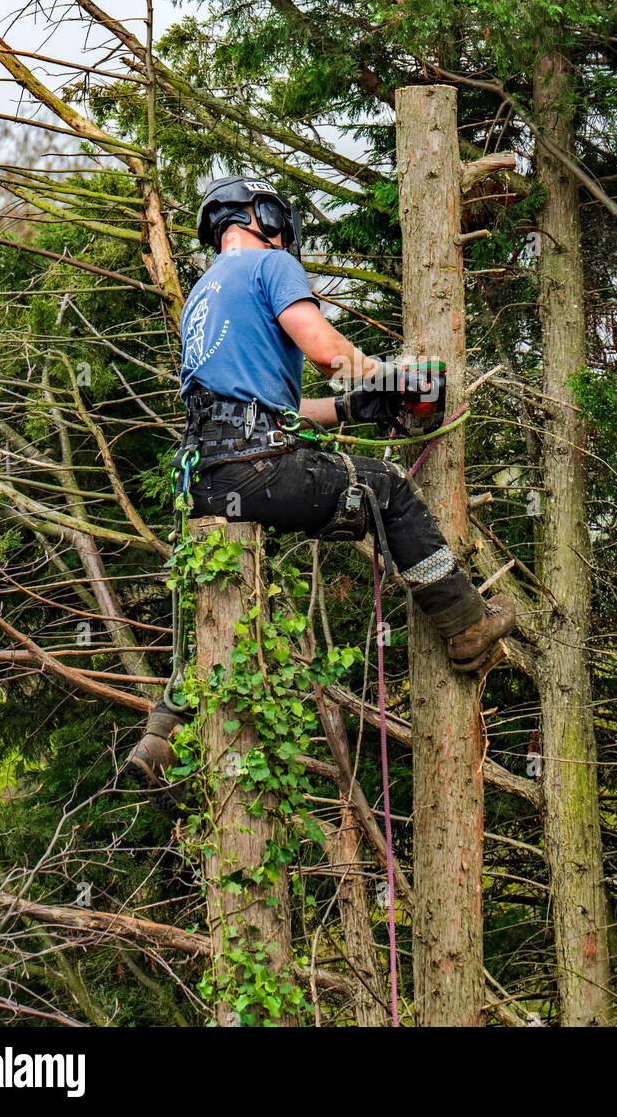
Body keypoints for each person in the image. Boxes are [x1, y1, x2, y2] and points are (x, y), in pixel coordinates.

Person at [127, 177, 516, 791]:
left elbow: (258, 409)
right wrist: (390, 378)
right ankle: (465, 624)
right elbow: (323, 346)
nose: (284, 232)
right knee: (384, 487)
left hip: (208, 480)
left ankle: (162, 734)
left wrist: (355, 406)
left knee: (218, 586)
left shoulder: (203, 294)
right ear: (257, 217)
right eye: (278, 220)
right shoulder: (270, 264)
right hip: (258, 467)